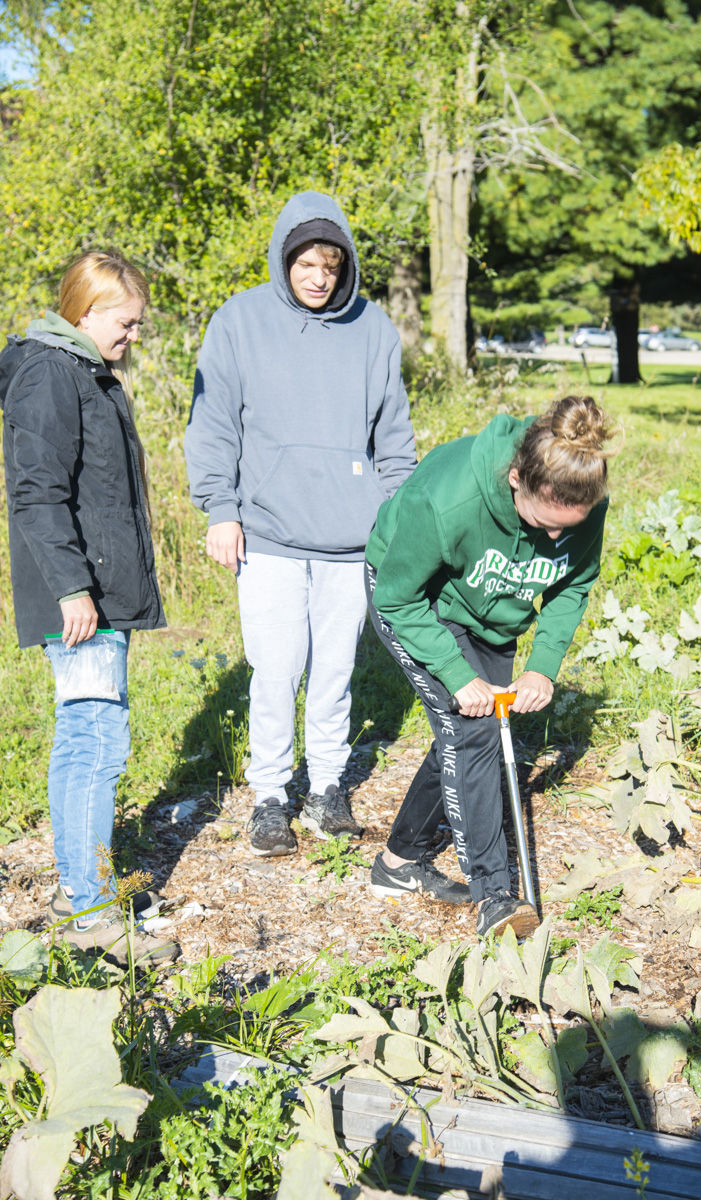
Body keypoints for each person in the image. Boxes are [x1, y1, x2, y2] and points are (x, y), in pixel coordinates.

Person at [185, 192, 416, 858]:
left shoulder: (372, 330)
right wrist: (220, 510)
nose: (319, 277)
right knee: (276, 668)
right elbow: (214, 425)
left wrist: (395, 521)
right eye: (306, 264)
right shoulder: (238, 320)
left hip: (350, 539)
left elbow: (394, 438)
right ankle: (268, 797)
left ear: (346, 266)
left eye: (331, 265)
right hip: (267, 533)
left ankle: (326, 789)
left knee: (335, 671)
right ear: (284, 258)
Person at [365, 396, 618, 938]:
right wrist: (456, 675)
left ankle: (397, 864)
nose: (554, 539)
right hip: (417, 598)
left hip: (491, 609)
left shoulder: (582, 499)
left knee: (465, 734)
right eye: (543, 523)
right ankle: (495, 896)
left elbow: (572, 586)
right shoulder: (446, 500)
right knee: (475, 731)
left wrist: (542, 667)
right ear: (514, 478)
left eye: (564, 529)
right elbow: (397, 598)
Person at [0, 250, 179, 967]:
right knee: (93, 744)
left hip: (98, 591)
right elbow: (36, 492)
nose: (132, 336)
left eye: (137, 324)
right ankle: (91, 912)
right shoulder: (52, 373)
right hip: (81, 599)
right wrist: (73, 588)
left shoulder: (84, 372)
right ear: (85, 309)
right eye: (124, 322)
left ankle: (81, 884)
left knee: (93, 737)